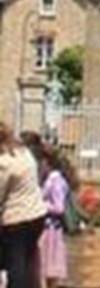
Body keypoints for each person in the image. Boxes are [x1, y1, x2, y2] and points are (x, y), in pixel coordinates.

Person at [0, 122, 46, 288]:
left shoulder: (4, 163)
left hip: (16, 218)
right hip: (37, 214)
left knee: (15, 263)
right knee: (28, 259)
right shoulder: (24, 153)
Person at [24, 134, 71, 287]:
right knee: (43, 270)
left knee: (46, 270)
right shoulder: (48, 180)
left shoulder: (56, 181)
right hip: (45, 229)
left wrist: (41, 204)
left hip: (52, 231)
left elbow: (59, 207)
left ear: (46, 162)